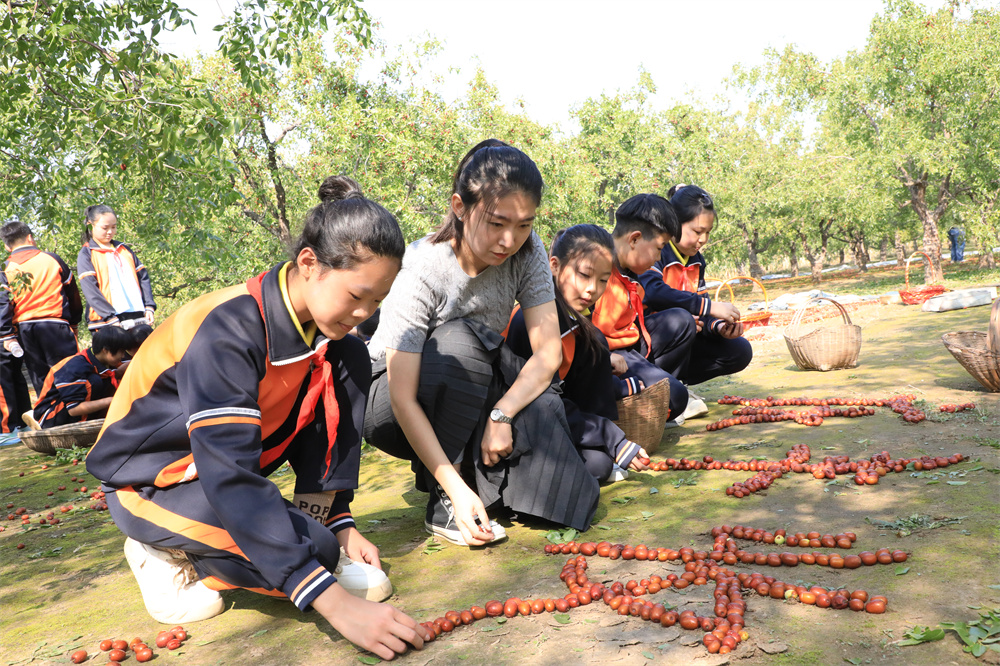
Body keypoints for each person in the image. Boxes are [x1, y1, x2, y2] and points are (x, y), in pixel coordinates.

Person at [85, 177, 429, 661]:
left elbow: (330, 436)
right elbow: (229, 473)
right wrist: (335, 604)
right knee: (314, 565)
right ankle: (158, 547)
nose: (364, 313)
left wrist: (339, 524)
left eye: (377, 301)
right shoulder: (229, 330)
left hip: (219, 475)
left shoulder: (336, 343)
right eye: (357, 295)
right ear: (308, 263)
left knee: (321, 546)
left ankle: (292, 547)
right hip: (150, 484)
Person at [364, 139, 600, 548]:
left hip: (474, 389)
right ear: (459, 207)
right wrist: (453, 487)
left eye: (524, 224)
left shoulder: (528, 252)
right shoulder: (422, 267)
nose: (510, 240)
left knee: (574, 472)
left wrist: (502, 415)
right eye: (497, 223)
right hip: (391, 398)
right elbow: (402, 398)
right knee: (459, 341)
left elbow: (548, 352)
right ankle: (446, 496)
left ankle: (484, 484)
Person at [505, 224, 651, 483]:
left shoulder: (573, 318)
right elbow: (541, 403)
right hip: (518, 423)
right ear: (554, 266)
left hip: (557, 416)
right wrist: (609, 436)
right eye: (584, 275)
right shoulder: (534, 323)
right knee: (597, 466)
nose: (592, 289)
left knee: (596, 343)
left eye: (603, 280)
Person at [638, 184, 752, 391]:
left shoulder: (696, 261)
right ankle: (662, 391)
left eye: (708, 232)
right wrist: (707, 307)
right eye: (697, 231)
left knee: (740, 350)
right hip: (648, 340)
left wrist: (717, 327)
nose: (703, 240)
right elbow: (653, 292)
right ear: (673, 224)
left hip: (683, 335)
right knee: (681, 320)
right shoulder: (657, 253)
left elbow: (700, 311)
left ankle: (678, 387)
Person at [591, 194, 690, 424]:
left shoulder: (633, 271)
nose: (658, 258)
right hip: (602, 353)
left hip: (629, 349)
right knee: (674, 397)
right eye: (659, 248)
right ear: (634, 239)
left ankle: (650, 386)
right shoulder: (595, 267)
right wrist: (606, 356)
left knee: (680, 321)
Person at [1, 220, 82, 396]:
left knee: (41, 381)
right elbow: (72, 293)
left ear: (7, 247)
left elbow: (4, 305)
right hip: (55, 325)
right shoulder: (51, 259)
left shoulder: (6, 268)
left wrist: (7, 335)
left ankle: (49, 418)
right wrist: (75, 323)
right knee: (70, 375)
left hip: (26, 330)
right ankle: (76, 416)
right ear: (30, 238)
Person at [26, 325, 130, 429]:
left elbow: (116, 372)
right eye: (121, 351)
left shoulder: (102, 361)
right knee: (94, 381)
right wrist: (113, 400)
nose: (122, 356)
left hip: (71, 411)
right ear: (105, 350)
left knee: (110, 378)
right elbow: (73, 409)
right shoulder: (74, 367)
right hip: (51, 416)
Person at [77, 205, 156, 331]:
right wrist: (109, 317)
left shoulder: (124, 249)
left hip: (136, 316)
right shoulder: (87, 253)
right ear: (91, 225)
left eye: (113, 227)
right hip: (107, 321)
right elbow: (90, 290)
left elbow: (143, 277)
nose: (110, 232)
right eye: (105, 228)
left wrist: (149, 307)